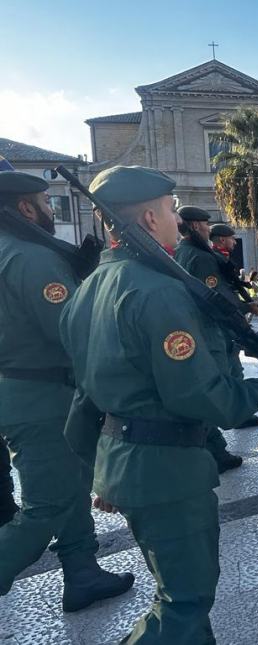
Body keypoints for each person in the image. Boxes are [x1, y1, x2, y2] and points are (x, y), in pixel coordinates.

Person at [60, 165, 258, 643]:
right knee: (184, 603)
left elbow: (85, 396)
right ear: (151, 219)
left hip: (130, 466)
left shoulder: (87, 291)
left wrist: (105, 469)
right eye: (172, 212)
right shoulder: (158, 294)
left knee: (181, 598)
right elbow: (206, 397)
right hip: (167, 473)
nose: (178, 221)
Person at [0, 170, 134, 611]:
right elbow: (71, 332)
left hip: (23, 392)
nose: (48, 210)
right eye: (43, 201)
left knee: (70, 484)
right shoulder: (32, 259)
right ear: (24, 208)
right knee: (46, 507)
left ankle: (82, 573)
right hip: (41, 397)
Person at [173, 205, 245, 473]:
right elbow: (216, 298)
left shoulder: (180, 252)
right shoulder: (201, 258)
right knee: (214, 388)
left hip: (193, 329)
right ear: (194, 226)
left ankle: (215, 447)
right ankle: (214, 450)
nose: (208, 229)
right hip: (210, 330)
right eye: (204, 225)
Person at [208, 223, 258, 429]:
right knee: (227, 373)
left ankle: (241, 414)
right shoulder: (210, 260)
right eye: (231, 238)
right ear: (222, 239)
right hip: (221, 328)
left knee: (235, 370)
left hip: (228, 328)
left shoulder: (220, 258)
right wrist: (246, 307)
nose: (235, 241)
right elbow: (220, 297)